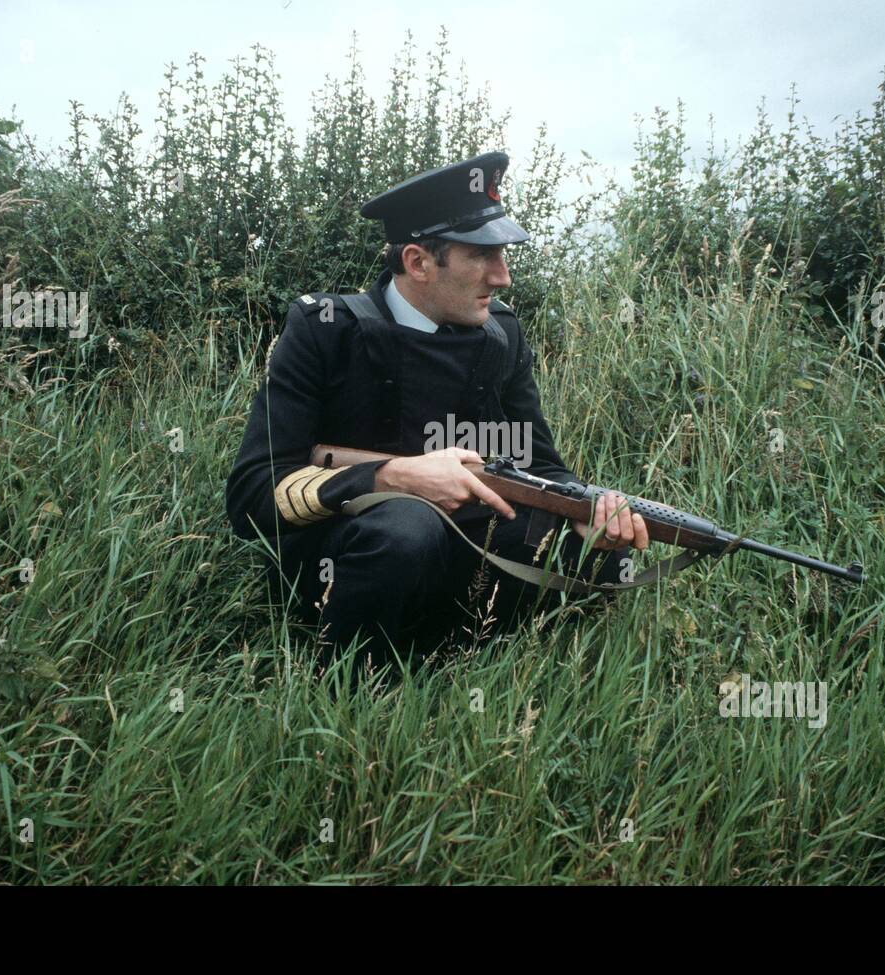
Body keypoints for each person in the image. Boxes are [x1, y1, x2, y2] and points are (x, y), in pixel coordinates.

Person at [226, 151, 648, 675]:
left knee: (599, 549)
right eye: (483, 256)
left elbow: (541, 466)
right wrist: (391, 477)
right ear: (418, 262)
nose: (503, 277)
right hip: (348, 558)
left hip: (464, 550)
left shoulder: (503, 336)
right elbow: (250, 497)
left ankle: (478, 661)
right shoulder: (324, 330)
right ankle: (350, 682)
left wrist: (590, 511)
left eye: (505, 256)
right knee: (406, 526)